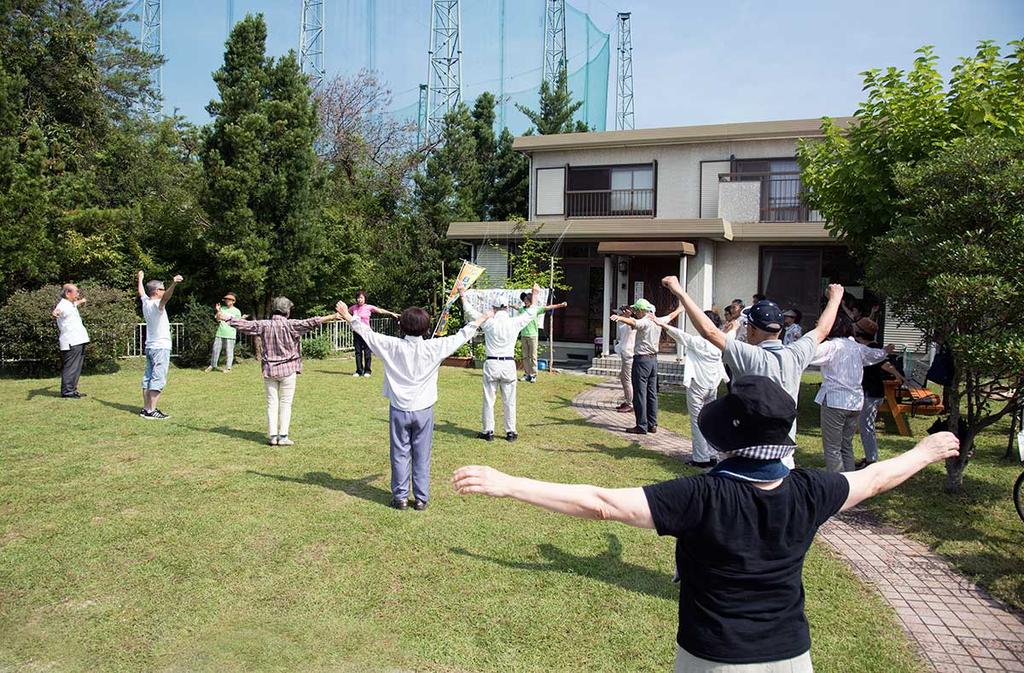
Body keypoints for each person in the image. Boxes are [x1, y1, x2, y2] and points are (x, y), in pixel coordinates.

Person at [452, 375, 960, 672]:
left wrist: (508, 482)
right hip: (791, 656)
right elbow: (874, 479)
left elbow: (601, 503)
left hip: (715, 656)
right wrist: (924, 451)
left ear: (728, 439)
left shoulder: (701, 496)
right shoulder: (811, 489)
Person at [339, 300, 493, 510]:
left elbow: (367, 334)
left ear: (401, 327)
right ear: (426, 328)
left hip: (399, 409)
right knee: (422, 454)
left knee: (399, 453)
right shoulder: (433, 347)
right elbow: (461, 336)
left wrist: (348, 316)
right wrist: (482, 318)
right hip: (423, 409)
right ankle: (421, 498)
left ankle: (401, 497)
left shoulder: (392, 345)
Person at [662, 275, 844, 446]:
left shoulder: (747, 355)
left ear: (752, 329)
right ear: (780, 329)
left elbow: (709, 332)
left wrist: (679, 291)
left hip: (750, 450)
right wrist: (835, 299)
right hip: (785, 452)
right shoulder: (796, 354)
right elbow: (822, 330)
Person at [218, 298, 345, 446]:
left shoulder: (264, 325)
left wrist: (226, 318)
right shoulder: (291, 325)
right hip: (288, 370)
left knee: (271, 403)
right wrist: (333, 316)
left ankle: (273, 437)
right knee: (286, 403)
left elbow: (245, 325)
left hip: (269, 370)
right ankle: (283, 437)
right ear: (287, 311)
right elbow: (312, 322)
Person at [460, 283, 542, 442]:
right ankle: (510, 432)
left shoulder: (489, 322)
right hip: (508, 364)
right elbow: (531, 312)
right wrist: (535, 294)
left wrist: (462, 294)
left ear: (494, 308)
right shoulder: (514, 322)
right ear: (507, 308)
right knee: (509, 400)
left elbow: (469, 311)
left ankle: (488, 431)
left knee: (488, 399)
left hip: (492, 363)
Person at [809, 315, 891, 472]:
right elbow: (875, 355)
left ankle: (838, 482)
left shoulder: (832, 346)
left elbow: (807, 354)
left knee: (832, 448)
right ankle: (850, 479)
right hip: (855, 402)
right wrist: (885, 351)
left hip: (835, 401)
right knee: (846, 445)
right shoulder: (857, 347)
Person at [651, 311, 729, 468]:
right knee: (710, 420)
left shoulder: (698, 342)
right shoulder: (720, 342)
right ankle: (712, 454)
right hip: (712, 385)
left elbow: (680, 335)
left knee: (697, 421)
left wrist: (662, 324)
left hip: (697, 385)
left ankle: (701, 458)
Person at [610, 299, 683, 435]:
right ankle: (652, 424)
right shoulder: (658, 320)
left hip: (642, 361)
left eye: (636, 310)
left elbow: (634, 322)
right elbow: (671, 315)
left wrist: (620, 318)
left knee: (640, 394)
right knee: (652, 394)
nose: (635, 312)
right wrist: (681, 308)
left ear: (641, 310)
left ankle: (641, 426)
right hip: (653, 361)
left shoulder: (644, 321)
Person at [854, 318, 905, 470]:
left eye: (856, 328)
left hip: (872, 394)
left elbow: (886, 365)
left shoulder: (873, 348)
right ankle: (870, 457)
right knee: (864, 426)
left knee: (866, 427)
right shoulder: (867, 347)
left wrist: (898, 376)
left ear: (860, 333)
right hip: (869, 393)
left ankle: (871, 460)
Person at [137, 271, 182, 420]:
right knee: (158, 378)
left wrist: (140, 279)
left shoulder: (146, 302)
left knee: (148, 378)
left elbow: (141, 292)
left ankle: (146, 408)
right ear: (156, 291)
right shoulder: (157, 304)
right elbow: (166, 298)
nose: (163, 291)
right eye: (162, 289)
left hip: (150, 346)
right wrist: (174, 283)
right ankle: (151, 410)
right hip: (160, 347)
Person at [516, 292, 567, 383]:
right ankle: (527, 374)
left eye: (527, 300)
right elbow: (516, 307)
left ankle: (533, 375)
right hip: (524, 335)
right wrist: (508, 306)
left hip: (533, 336)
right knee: (525, 356)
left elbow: (548, 307)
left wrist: (560, 305)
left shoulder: (535, 309)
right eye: (524, 300)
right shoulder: (522, 309)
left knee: (533, 356)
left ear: (531, 301)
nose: (525, 302)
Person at [349, 291, 399, 378]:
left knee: (367, 352)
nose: (359, 299)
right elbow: (344, 313)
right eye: (358, 298)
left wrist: (391, 313)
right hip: (356, 332)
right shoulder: (353, 308)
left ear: (365, 299)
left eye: (361, 298)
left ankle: (367, 371)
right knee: (358, 352)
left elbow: (380, 310)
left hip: (366, 333)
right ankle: (359, 371)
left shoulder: (369, 307)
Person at [52, 283, 89, 398]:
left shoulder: (71, 304)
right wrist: (55, 313)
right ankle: (67, 391)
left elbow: (76, 304)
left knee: (76, 367)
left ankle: (72, 389)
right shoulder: (62, 305)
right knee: (71, 367)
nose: (78, 294)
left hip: (79, 340)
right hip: (71, 341)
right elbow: (57, 311)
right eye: (76, 292)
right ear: (68, 293)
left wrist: (82, 301)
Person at [206, 292, 245, 372]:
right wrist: (218, 310)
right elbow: (217, 319)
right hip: (220, 332)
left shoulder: (237, 311)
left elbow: (238, 323)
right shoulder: (222, 308)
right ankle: (212, 365)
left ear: (233, 301)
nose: (227, 301)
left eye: (229, 299)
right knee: (215, 350)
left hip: (230, 334)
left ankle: (228, 368)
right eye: (226, 299)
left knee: (229, 351)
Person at [613, 306, 636, 413]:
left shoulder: (633, 322)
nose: (621, 313)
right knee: (623, 378)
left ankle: (630, 404)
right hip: (625, 354)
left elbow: (630, 323)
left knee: (627, 380)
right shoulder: (625, 323)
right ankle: (628, 401)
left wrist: (625, 316)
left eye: (623, 311)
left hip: (629, 355)